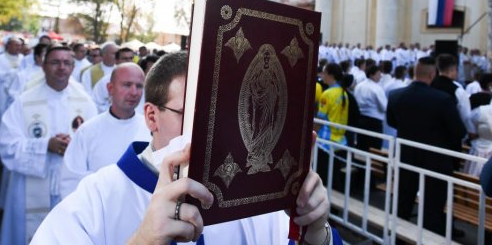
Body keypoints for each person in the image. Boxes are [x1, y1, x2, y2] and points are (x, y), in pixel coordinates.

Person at [32, 52, 340, 245]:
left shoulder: (249, 197)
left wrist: (315, 234)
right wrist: (144, 241)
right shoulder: (97, 198)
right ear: (152, 116)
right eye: (196, 116)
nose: (213, 133)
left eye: (224, 116)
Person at [0, 46, 98, 245]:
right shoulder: (25, 101)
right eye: (55, 62)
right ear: (43, 66)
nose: (61, 67)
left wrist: (74, 145)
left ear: (72, 67)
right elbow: (7, 145)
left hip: (70, 186)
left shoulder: (85, 102)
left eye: (67, 63)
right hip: (31, 187)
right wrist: (45, 145)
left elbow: (95, 147)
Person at [386, 57, 466, 235]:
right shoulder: (443, 99)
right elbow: (458, 131)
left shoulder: (396, 95)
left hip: (405, 155)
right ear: (432, 74)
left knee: (402, 201)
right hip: (434, 160)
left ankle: (395, 238)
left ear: (416, 73)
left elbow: (392, 121)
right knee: (433, 206)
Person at [59, 62, 150, 199]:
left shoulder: (151, 129)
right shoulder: (87, 131)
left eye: (139, 86)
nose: (134, 92)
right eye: (127, 85)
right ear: (110, 88)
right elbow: (70, 181)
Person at [316, 63, 349, 191]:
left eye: (324, 73)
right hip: (340, 141)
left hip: (326, 141)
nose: (322, 76)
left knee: (325, 177)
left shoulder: (328, 94)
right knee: (334, 175)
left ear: (330, 75)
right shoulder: (343, 92)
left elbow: (320, 119)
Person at [431, 53, 474, 137]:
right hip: (449, 137)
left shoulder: (429, 85)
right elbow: (466, 117)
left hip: (429, 135)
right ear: (453, 70)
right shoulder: (458, 90)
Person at [89, 47, 138, 113]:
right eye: (125, 59)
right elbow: (96, 103)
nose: (129, 61)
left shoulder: (139, 80)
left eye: (131, 58)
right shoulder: (105, 81)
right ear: (116, 61)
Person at [354, 64, 387, 152]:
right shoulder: (377, 88)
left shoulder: (359, 86)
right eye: (378, 74)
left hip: (361, 119)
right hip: (374, 122)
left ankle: (360, 165)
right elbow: (384, 107)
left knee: (362, 145)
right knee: (374, 148)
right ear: (372, 75)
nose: (380, 76)